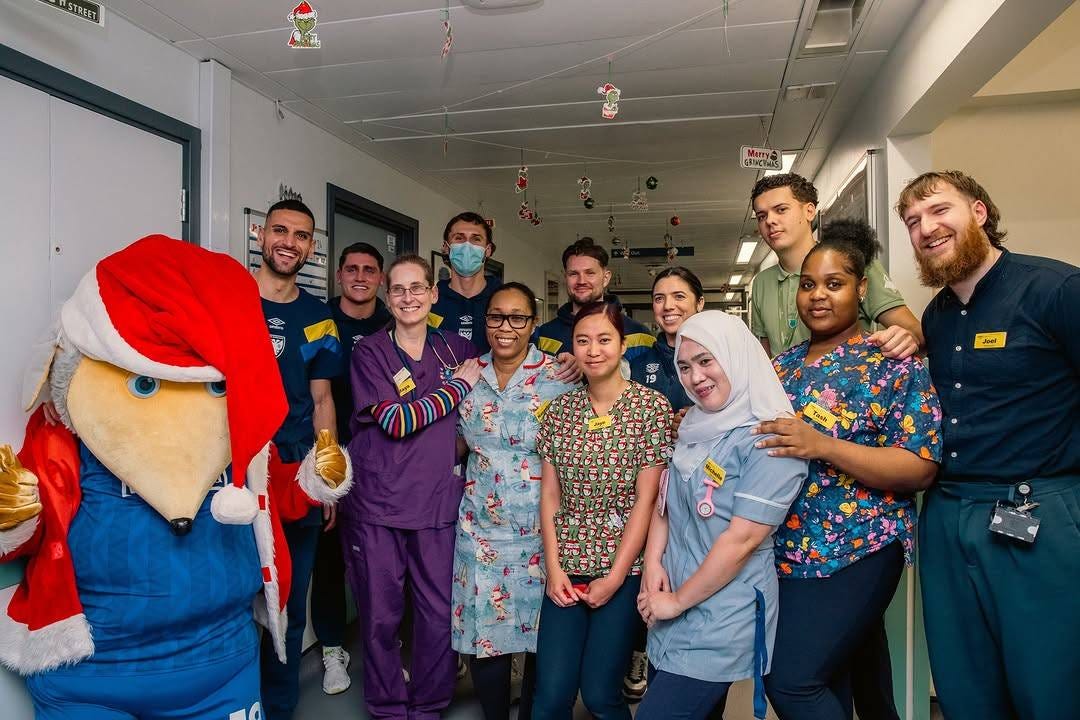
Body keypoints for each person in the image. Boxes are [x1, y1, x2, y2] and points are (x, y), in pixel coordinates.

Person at [896, 170, 1080, 720]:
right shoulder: (937, 315)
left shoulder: (1055, 290)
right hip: (948, 513)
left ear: (979, 212)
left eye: (939, 210)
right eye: (913, 221)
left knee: (1049, 682)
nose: (926, 228)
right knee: (964, 682)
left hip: (1038, 511)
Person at [749, 175, 923, 719]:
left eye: (834, 284)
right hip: (789, 547)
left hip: (858, 543)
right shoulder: (780, 368)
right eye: (808, 286)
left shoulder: (891, 364)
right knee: (845, 677)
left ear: (861, 289)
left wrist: (821, 444)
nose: (818, 295)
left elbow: (918, 468)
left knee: (792, 680)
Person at [635, 310, 808, 720]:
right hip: (670, 601)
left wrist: (677, 602)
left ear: (735, 356)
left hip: (721, 613)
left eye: (706, 361)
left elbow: (741, 542)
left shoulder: (770, 438)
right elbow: (666, 501)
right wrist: (653, 564)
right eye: (684, 367)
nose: (696, 377)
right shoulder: (695, 425)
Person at [341, 254, 481, 720]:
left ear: (433, 294)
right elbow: (396, 421)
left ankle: (428, 704)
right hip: (378, 504)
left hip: (437, 503)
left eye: (417, 287)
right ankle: (387, 707)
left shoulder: (457, 350)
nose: (408, 298)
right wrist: (454, 390)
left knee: (437, 613)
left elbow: (489, 406)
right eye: (398, 290)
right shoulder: (370, 353)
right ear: (388, 296)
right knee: (380, 616)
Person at [532, 301, 671, 720]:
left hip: (622, 567)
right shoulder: (559, 413)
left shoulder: (650, 409)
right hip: (566, 564)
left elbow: (647, 500)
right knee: (551, 696)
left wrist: (614, 577)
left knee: (599, 694)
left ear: (623, 345)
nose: (593, 350)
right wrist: (553, 568)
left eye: (604, 339)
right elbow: (550, 496)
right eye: (583, 341)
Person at [453, 282, 576, 720]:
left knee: (542, 636)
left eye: (517, 317)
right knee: (486, 637)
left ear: (533, 323)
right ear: (485, 321)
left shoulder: (559, 377)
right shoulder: (467, 376)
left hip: (543, 533)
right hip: (480, 530)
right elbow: (454, 446)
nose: (506, 327)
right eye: (496, 316)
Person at [254, 199, 349, 720]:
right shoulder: (231, 301)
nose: (289, 242)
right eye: (280, 231)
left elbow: (322, 400)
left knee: (288, 602)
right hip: (234, 471)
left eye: (301, 235)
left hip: (294, 472)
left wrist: (326, 478)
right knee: (234, 596)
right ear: (261, 235)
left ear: (312, 247)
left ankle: (278, 707)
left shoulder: (318, 319)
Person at [622, 266, 704, 702]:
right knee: (647, 570)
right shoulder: (639, 359)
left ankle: (691, 670)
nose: (668, 306)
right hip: (647, 484)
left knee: (690, 572)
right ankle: (642, 653)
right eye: (659, 298)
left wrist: (695, 417)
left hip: (702, 488)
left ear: (699, 303)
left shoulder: (716, 357)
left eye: (679, 297)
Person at [314, 241, 393, 694]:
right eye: (352, 269)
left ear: (380, 278)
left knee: (382, 563)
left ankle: (386, 649)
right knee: (328, 558)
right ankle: (331, 649)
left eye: (369, 270)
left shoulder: (394, 323)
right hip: (329, 455)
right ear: (339, 275)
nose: (360, 277)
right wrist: (325, 467)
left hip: (382, 461)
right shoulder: (320, 321)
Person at [750, 173, 923, 361]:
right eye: (761, 216)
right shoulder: (761, 283)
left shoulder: (852, 261)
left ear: (809, 211)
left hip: (849, 376)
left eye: (781, 209)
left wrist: (902, 340)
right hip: (784, 379)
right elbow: (764, 358)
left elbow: (915, 334)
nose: (769, 221)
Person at [534, 238, 655, 372]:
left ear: (606, 278)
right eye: (573, 274)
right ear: (565, 278)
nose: (581, 281)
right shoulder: (544, 335)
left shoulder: (639, 335)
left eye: (590, 273)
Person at [429, 211, 500, 353]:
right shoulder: (429, 302)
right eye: (459, 238)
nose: (467, 246)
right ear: (446, 247)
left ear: (488, 250)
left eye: (476, 239)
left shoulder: (504, 300)